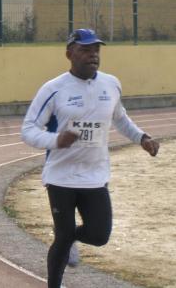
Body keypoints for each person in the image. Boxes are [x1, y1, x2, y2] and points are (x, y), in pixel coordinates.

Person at [21, 28, 160, 288]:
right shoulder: (53, 89)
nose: (92, 55)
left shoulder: (111, 84)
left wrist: (142, 137)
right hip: (61, 176)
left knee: (99, 235)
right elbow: (28, 129)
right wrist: (55, 140)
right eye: (85, 49)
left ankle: (72, 238)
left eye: (96, 49)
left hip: (95, 176)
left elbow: (120, 118)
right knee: (62, 236)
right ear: (69, 53)